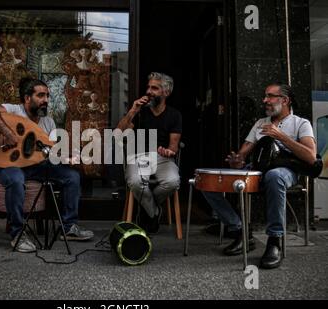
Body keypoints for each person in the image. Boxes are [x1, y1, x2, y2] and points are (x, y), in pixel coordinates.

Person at [203, 82, 316, 269]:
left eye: (270, 96)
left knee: (274, 176)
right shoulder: (260, 123)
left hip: (285, 171)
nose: (265, 100)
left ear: (285, 100)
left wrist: (281, 136)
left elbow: (311, 157)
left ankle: (274, 241)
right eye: (265, 96)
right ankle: (240, 230)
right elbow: (243, 154)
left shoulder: (301, 123)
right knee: (209, 180)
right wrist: (237, 162)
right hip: (256, 169)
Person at [0, 78, 94, 253]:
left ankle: (69, 227)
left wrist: (68, 157)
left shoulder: (48, 122)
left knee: (72, 176)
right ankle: (18, 233)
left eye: (47, 96)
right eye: (41, 95)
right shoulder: (13, 110)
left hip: (35, 165)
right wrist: (8, 133)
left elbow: (51, 152)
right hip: (8, 164)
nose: (46, 100)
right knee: (16, 180)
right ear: (27, 98)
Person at [117, 72, 182, 233]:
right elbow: (119, 133)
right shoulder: (140, 112)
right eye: (149, 87)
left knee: (173, 181)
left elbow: (174, 147)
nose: (149, 91)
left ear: (166, 92)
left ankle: (147, 210)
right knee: (136, 182)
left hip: (162, 159)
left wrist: (168, 152)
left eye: (155, 88)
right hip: (139, 156)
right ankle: (154, 212)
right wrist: (132, 111)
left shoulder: (174, 115)